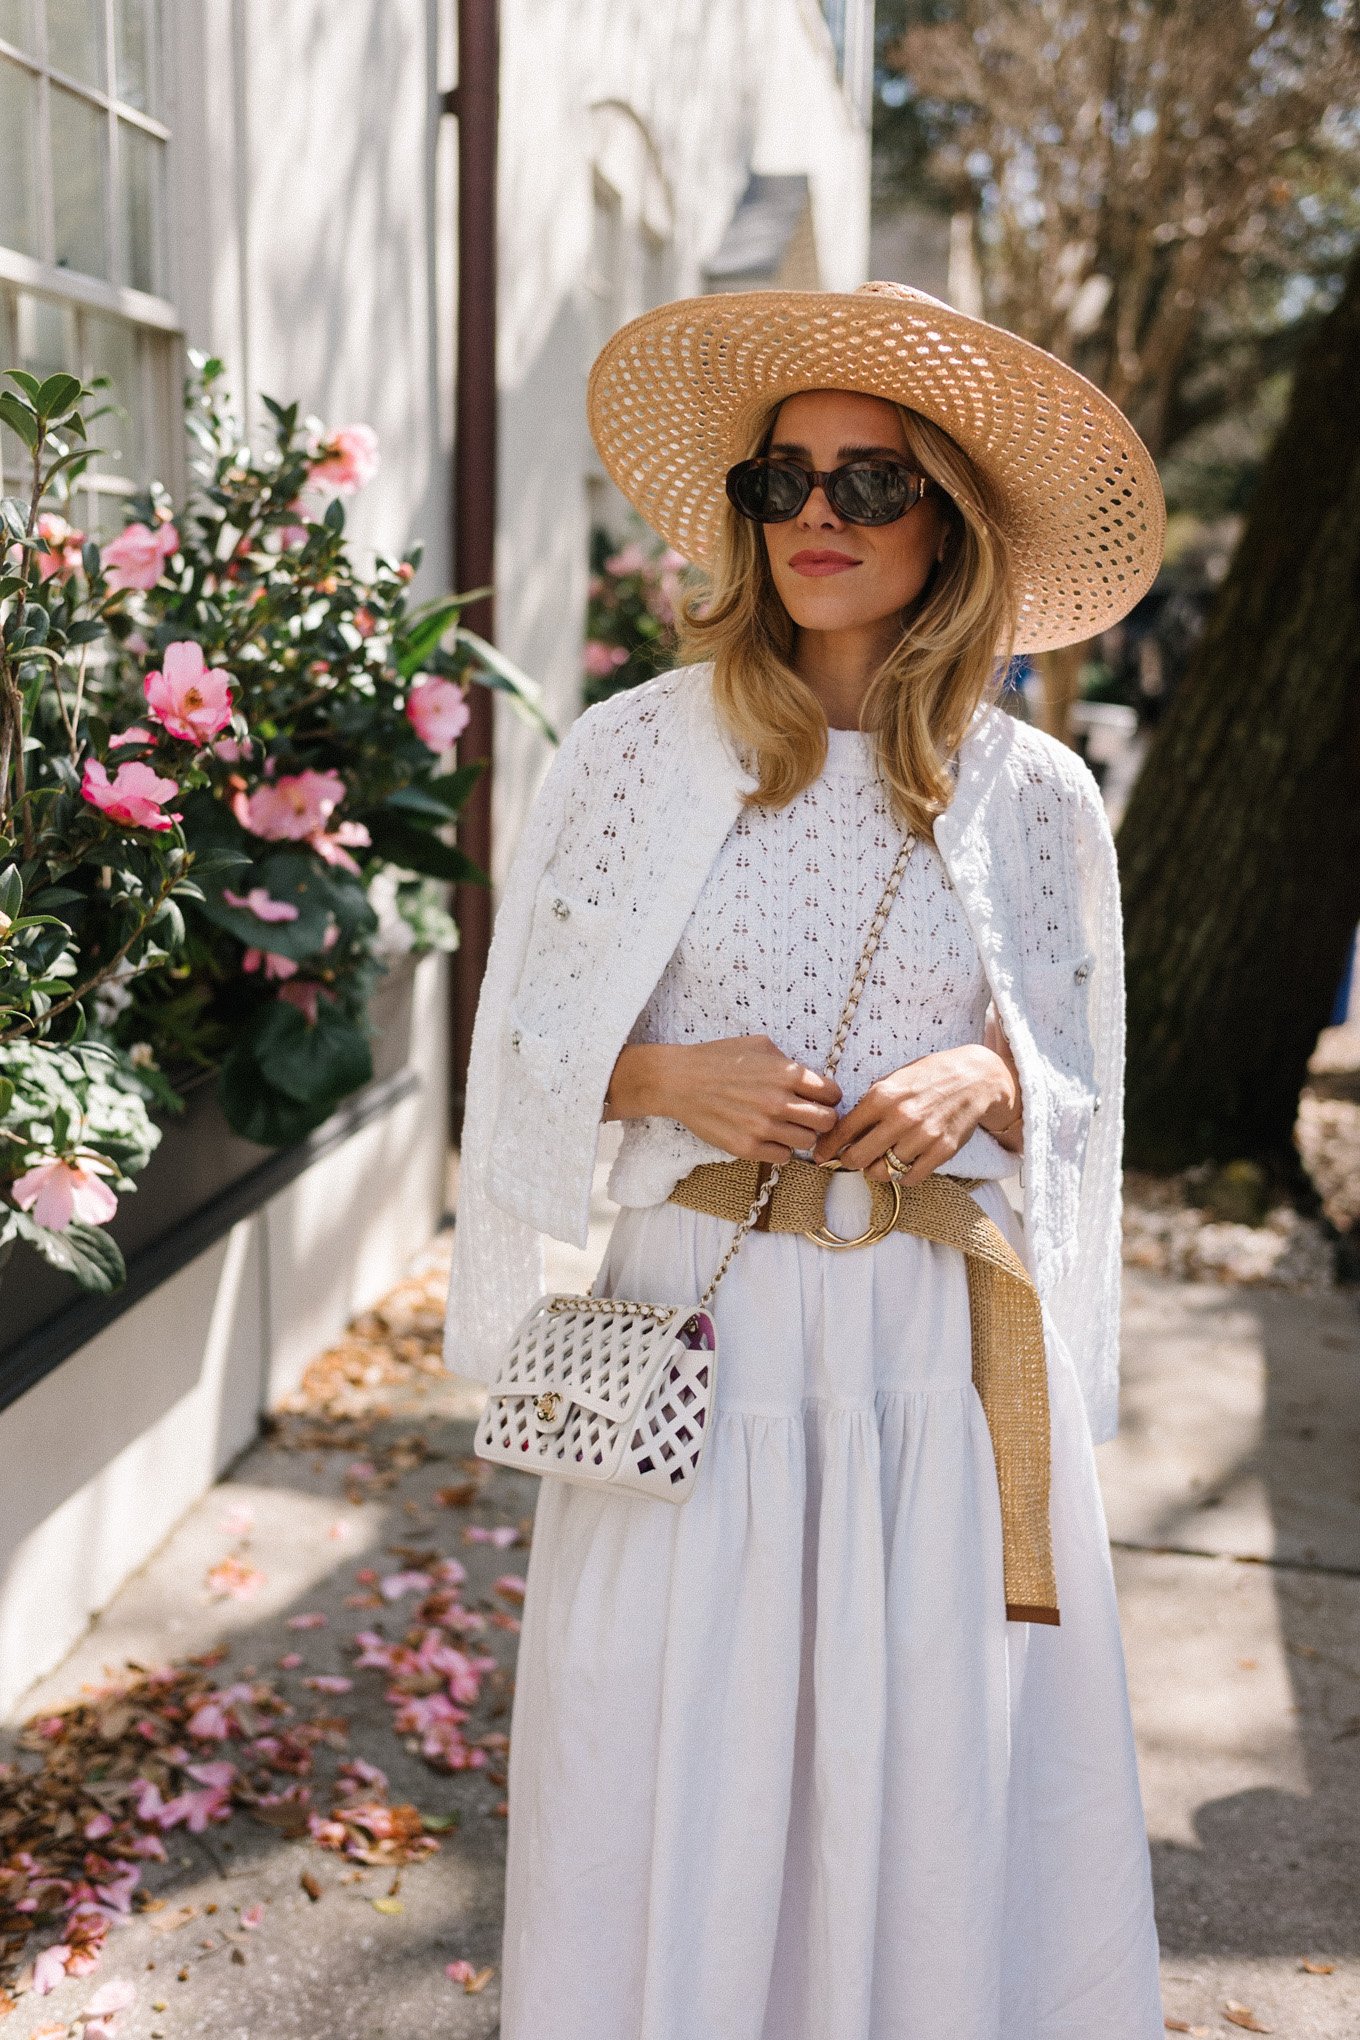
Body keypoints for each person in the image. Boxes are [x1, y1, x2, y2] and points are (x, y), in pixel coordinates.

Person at [446, 281, 1167, 2040]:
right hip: (703, 1351)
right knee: (662, 1763)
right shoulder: (631, 755)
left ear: (954, 526)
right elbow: (520, 1060)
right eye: (783, 485)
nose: (819, 522)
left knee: (927, 1776)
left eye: (871, 483)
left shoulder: (1037, 794)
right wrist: (667, 1076)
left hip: (936, 1367)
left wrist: (982, 1080)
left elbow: (1083, 1080)